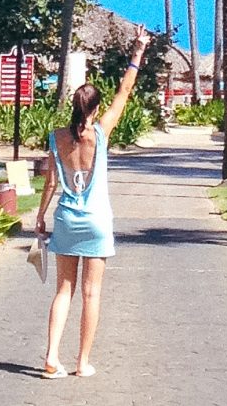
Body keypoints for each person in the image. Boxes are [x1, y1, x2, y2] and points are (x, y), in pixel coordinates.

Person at [32, 28, 147, 378]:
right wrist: (137, 51)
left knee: (63, 290)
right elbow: (124, 91)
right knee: (91, 294)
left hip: (66, 219)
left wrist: (40, 217)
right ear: (95, 109)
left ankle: (52, 356)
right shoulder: (100, 133)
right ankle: (82, 362)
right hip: (96, 221)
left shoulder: (57, 137)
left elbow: (51, 182)